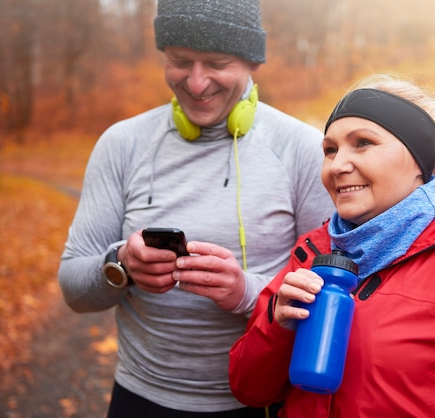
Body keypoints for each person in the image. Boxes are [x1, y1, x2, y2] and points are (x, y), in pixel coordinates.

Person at [229, 74, 435, 417]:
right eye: (330, 149)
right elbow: (249, 388)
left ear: (418, 162)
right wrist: (278, 323)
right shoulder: (312, 253)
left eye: (363, 143)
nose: (337, 166)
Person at [57, 0, 335, 416]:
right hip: (140, 397)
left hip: (261, 399)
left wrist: (246, 293)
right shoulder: (122, 144)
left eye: (216, 63)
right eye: (180, 61)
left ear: (251, 62)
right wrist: (120, 264)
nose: (197, 82)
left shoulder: (303, 149)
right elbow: (74, 291)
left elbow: (332, 295)